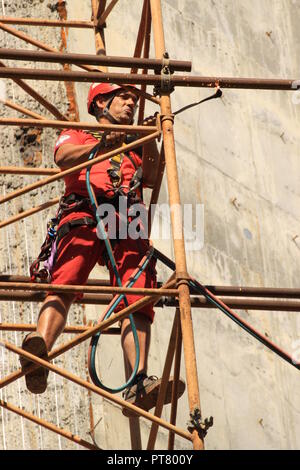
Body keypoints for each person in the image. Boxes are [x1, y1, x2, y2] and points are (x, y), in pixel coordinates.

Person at [20, 83, 185, 415]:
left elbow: (150, 176)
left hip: (126, 215)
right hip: (84, 209)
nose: (130, 104)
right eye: (123, 98)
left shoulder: (134, 144)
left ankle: (137, 383)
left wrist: (149, 139)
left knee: (137, 292)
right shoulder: (79, 133)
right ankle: (39, 350)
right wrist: (102, 145)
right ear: (100, 103)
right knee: (67, 277)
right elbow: (63, 158)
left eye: (133, 100)